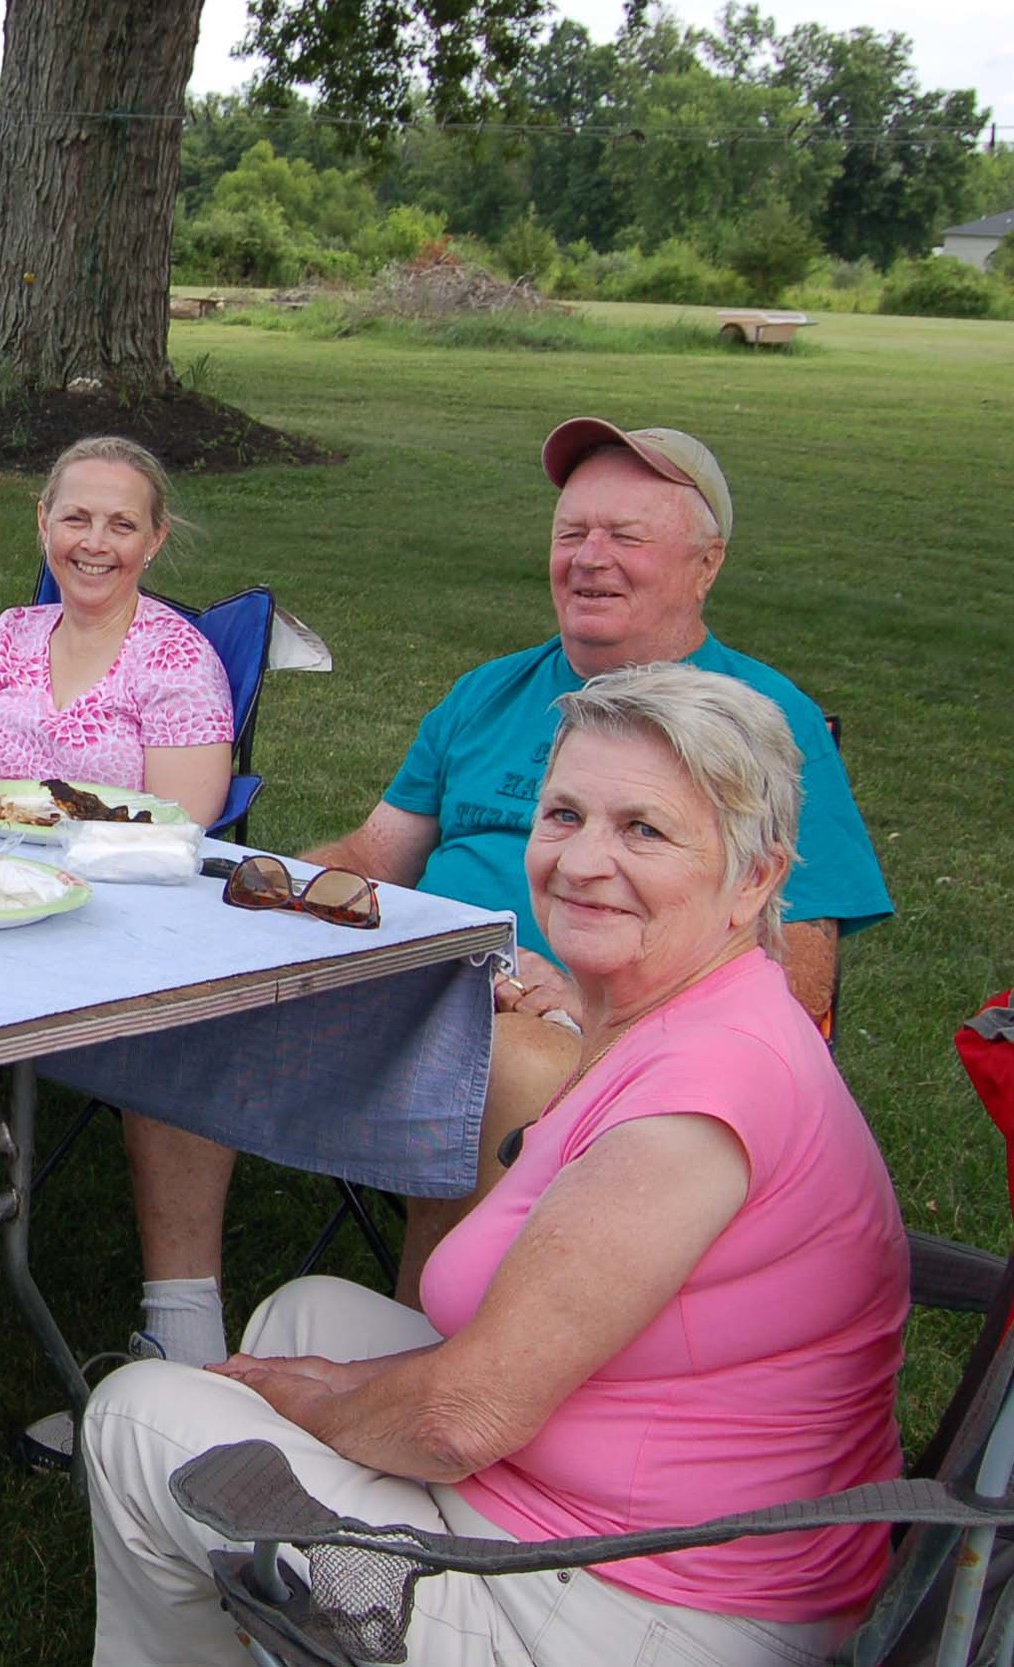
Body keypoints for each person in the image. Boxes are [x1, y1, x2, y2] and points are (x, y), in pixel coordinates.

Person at [84, 660, 908, 1665]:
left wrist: (305, 1398)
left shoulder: (697, 1104)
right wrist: (312, 1380)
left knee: (138, 1415)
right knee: (307, 1310)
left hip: (645, 1603)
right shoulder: (673, 1014)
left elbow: (459, 1421)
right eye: (563, 814)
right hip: (615, 1508)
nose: (582, 860)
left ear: (755, 878)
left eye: (642, 829)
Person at [127, 418, 893, 1370]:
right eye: (572, 533)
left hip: (575, 1032)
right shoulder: (491, 691)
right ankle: (182, 1329)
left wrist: (597, 1002)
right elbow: (376, 850)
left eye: (628, 536)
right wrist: (252, 894)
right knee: (186, 996)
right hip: (412, 979)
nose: (591, 559)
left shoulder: (757, 723)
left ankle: (429, 1360)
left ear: (706, 564)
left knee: (505, 1061)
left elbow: (803, 975)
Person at [0, 436, 234, 830]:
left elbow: (175, 829)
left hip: (111, 879)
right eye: (76, 519)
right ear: (44, 522)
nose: (94, 543)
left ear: (154, 539)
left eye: (122, 526)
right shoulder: (11, 632)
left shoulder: (178, 660)